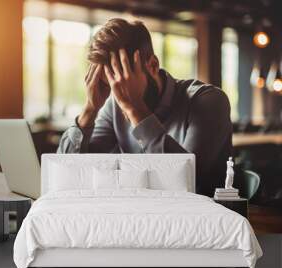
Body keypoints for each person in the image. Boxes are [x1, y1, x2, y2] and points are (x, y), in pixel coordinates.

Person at [57, 18, 232, 197]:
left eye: (123, 78)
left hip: (200, 218)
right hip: (140, 215)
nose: (118, 92)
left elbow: (187, 182)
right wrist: (90, 110)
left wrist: (136, 111)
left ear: (153, 65)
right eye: (111, 82)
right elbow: (65, 174)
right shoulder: (114, 107)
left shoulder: (209, 101)